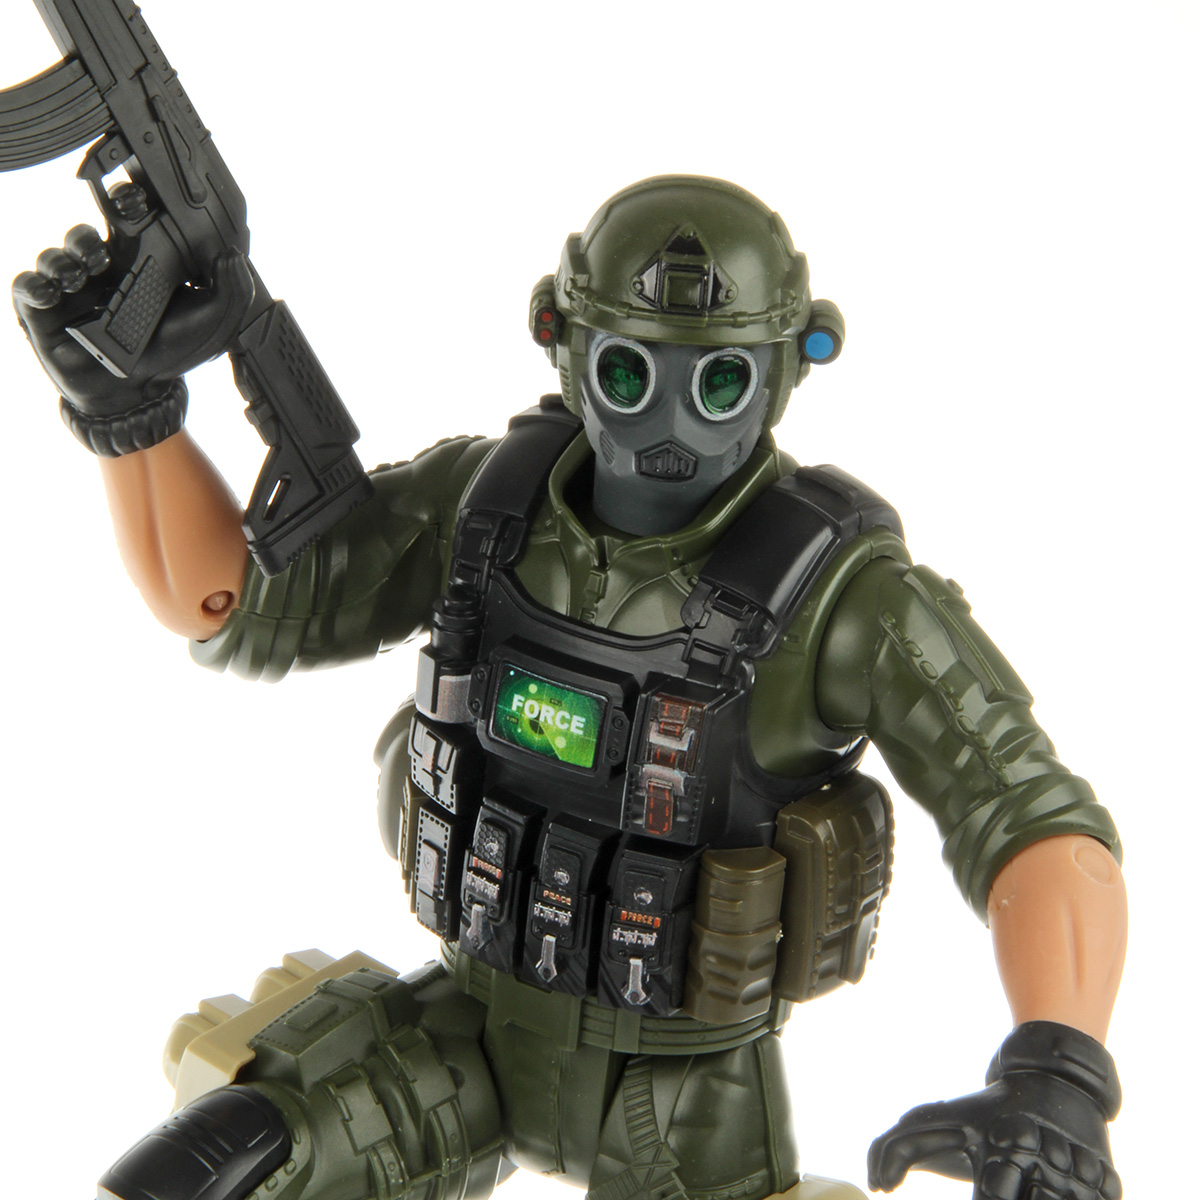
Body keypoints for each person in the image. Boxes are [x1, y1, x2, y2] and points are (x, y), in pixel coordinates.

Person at [12, 175, 1126, 1200]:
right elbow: (236, 602)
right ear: (561, 337)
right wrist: (131, 417)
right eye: (629, 375)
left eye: (720, 382)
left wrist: (1057, 1072)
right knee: (218, 1167)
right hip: (467, 1027)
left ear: (793, 364)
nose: (672, 427)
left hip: (683, 1100)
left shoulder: (846, 598)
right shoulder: (485, 511)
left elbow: (1030, 818)